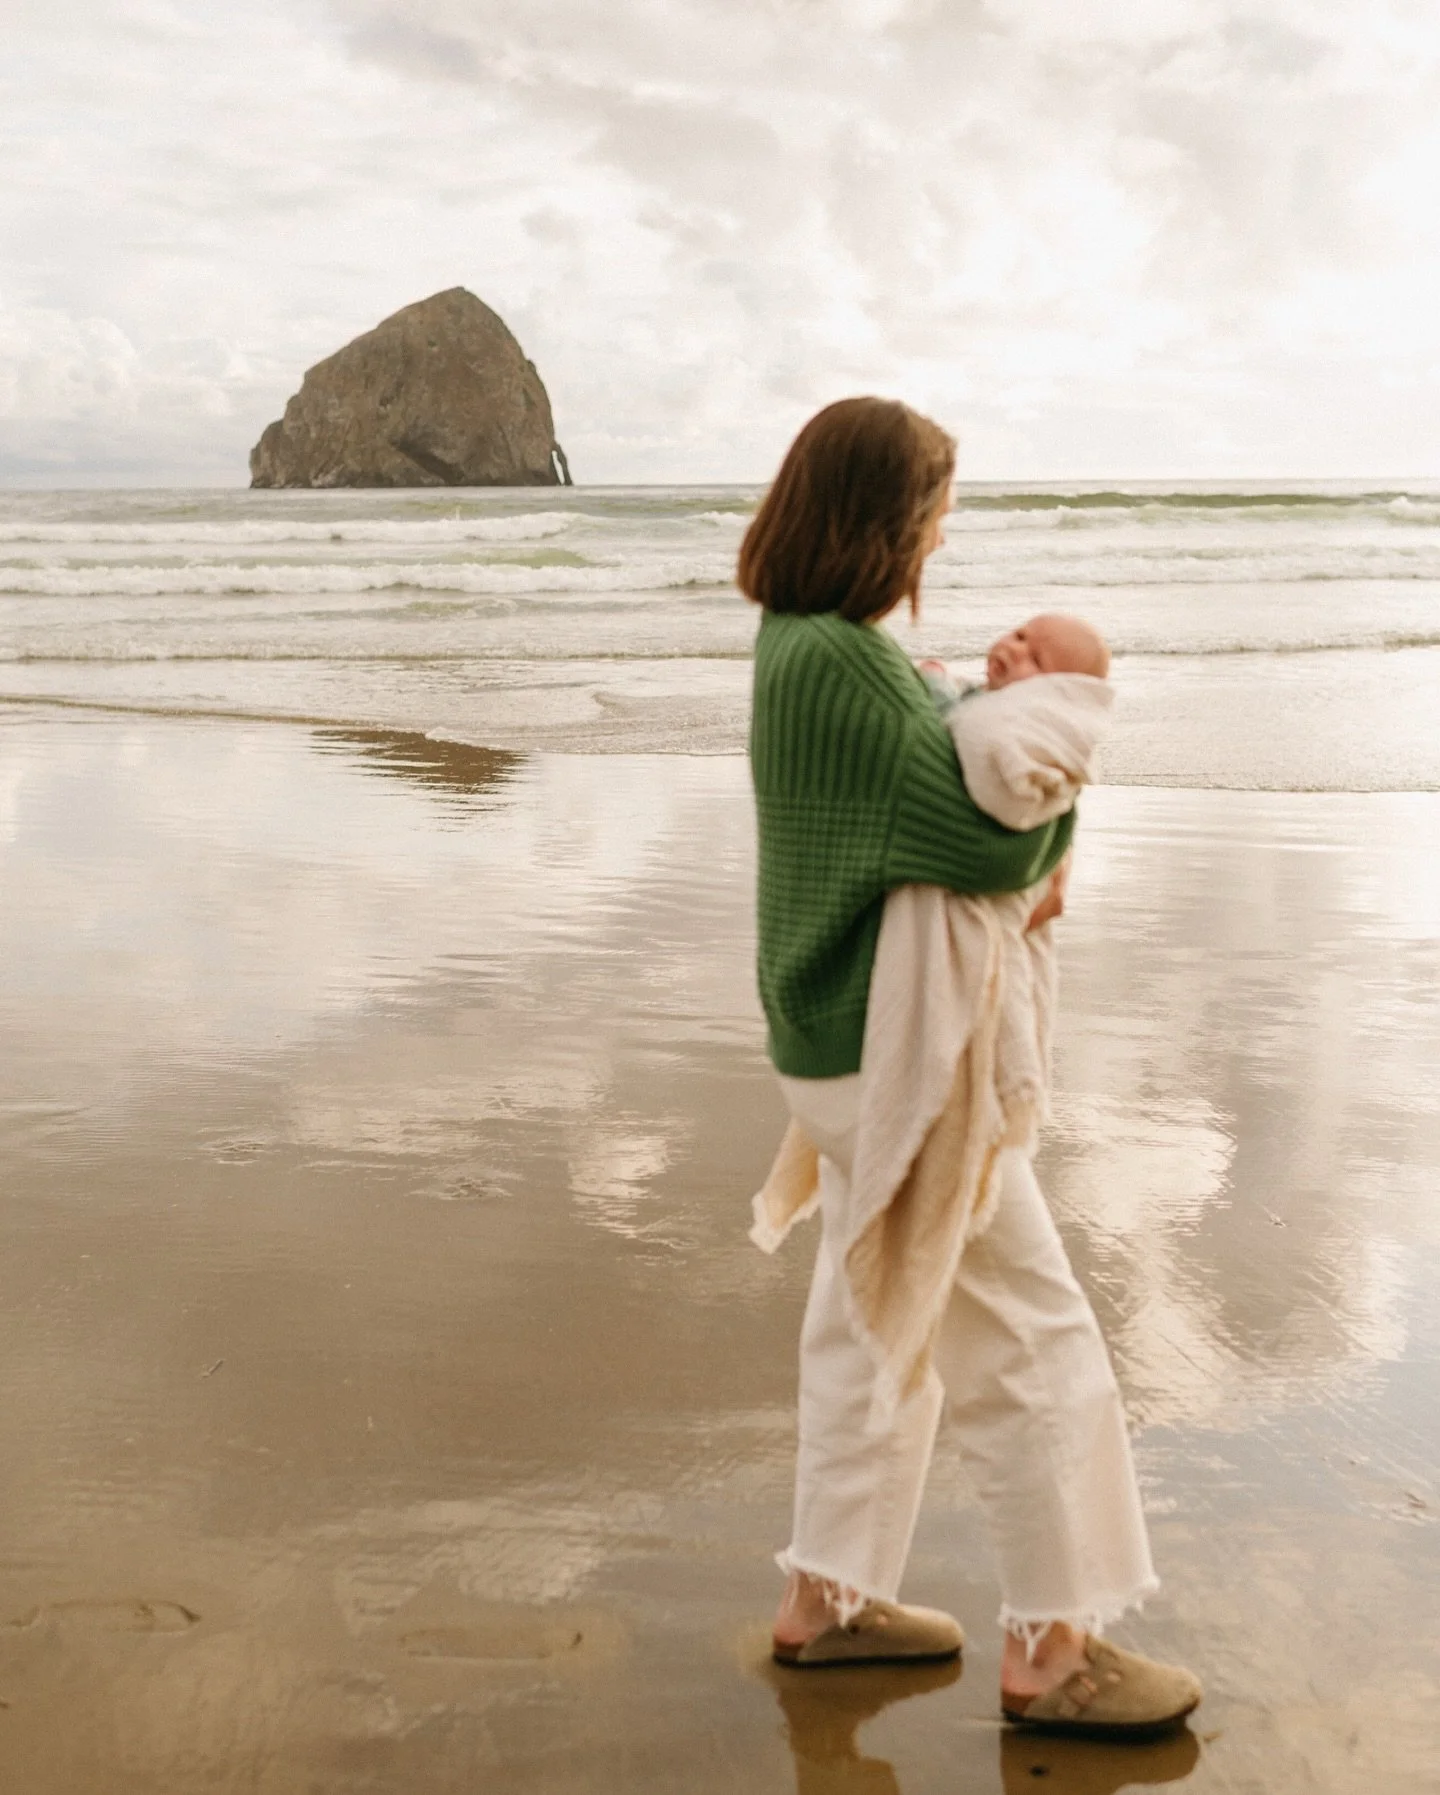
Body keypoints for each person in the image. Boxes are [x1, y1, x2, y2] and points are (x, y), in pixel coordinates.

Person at [741, 398, 1202, 1739]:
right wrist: (1065, 816)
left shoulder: (811, 642)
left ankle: (823, 1601)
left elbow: (948, 774)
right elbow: (1001, 846)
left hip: (837, 1046)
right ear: (888, 518)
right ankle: (1056, 1651)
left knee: (865, 1326)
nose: (946, 530)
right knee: (1032, 1333)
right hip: (898, 1063)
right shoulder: (843, 664)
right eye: (937, 507)